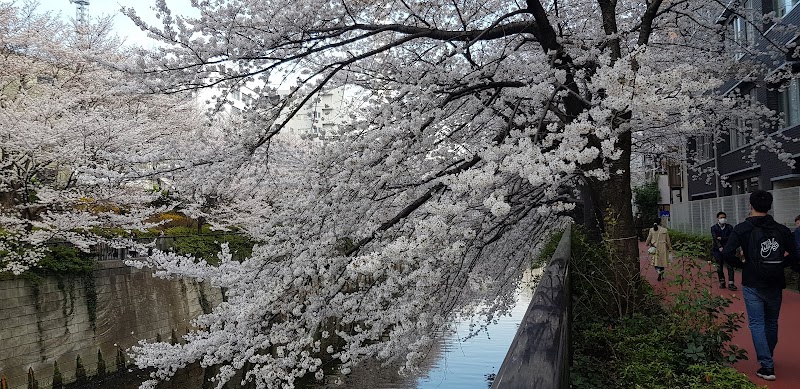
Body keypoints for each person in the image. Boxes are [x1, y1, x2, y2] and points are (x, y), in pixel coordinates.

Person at [722, 190, 800, 381]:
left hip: (752, 282)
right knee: (772, 322)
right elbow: (795, 254)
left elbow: (727, 253)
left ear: (751, 205)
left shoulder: (742, 228)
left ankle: (767, 365)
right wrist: (782, 265)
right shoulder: (781, 230)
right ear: (770, 206)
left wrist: (743, 265)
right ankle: (768, 356)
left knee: (757, 323)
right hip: (775, 281)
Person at [711, 211, 736, 290]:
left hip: (727, 249)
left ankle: (731, 283)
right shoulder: (714, 228)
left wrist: (722, 238)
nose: (723, 219)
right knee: (719, 266)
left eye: (724, 217)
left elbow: (731, 237)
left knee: (730, 266)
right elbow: (715, 238)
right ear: (718, 218)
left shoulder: (729, 227)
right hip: (717, 250)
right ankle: (722, 282)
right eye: (721, 217)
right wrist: (720, 246)